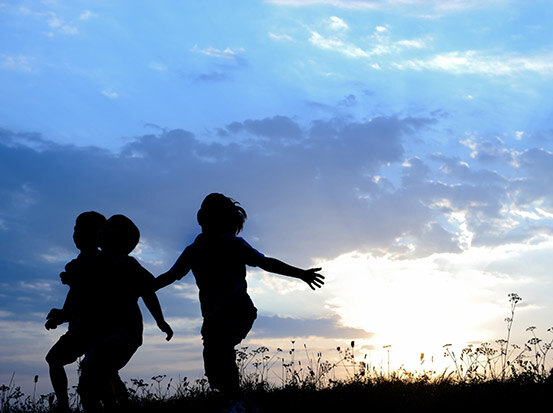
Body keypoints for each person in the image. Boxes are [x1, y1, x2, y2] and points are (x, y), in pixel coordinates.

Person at [155, 193, 324, 409]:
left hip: (239, 312)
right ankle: (239, 401)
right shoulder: (194, 251)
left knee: (223, 350)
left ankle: (236, 402)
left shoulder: (234, 245)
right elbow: (171, 275)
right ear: (201, 219)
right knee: (214, 370)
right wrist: (145, 288)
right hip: (212, 318)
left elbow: (267, 263)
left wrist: (301, 273)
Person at [64, 214, 174, 413]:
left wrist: (160, 321)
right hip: (105, 333)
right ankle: (119, 402)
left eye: (105, 232)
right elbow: (82, 288)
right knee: (98, 376)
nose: (100, 235)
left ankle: (113, 403)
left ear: (119, 242)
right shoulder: (96, 264)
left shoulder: (128, 265)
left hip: (124, 333)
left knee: (92, 371)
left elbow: (148, 292)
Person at [45, 211, 107, 412]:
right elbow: (74, 297)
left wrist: (65, 312)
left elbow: (96, 297)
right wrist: (61, 315)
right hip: (79, 328)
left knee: (100, 377)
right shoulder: (74, 265)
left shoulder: (104, 263)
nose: (75, 234)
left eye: (80, 230)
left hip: (98, 330)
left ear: (97, 235)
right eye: (75, 230)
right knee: (54, 359)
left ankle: (111, 402)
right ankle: (64, 405)